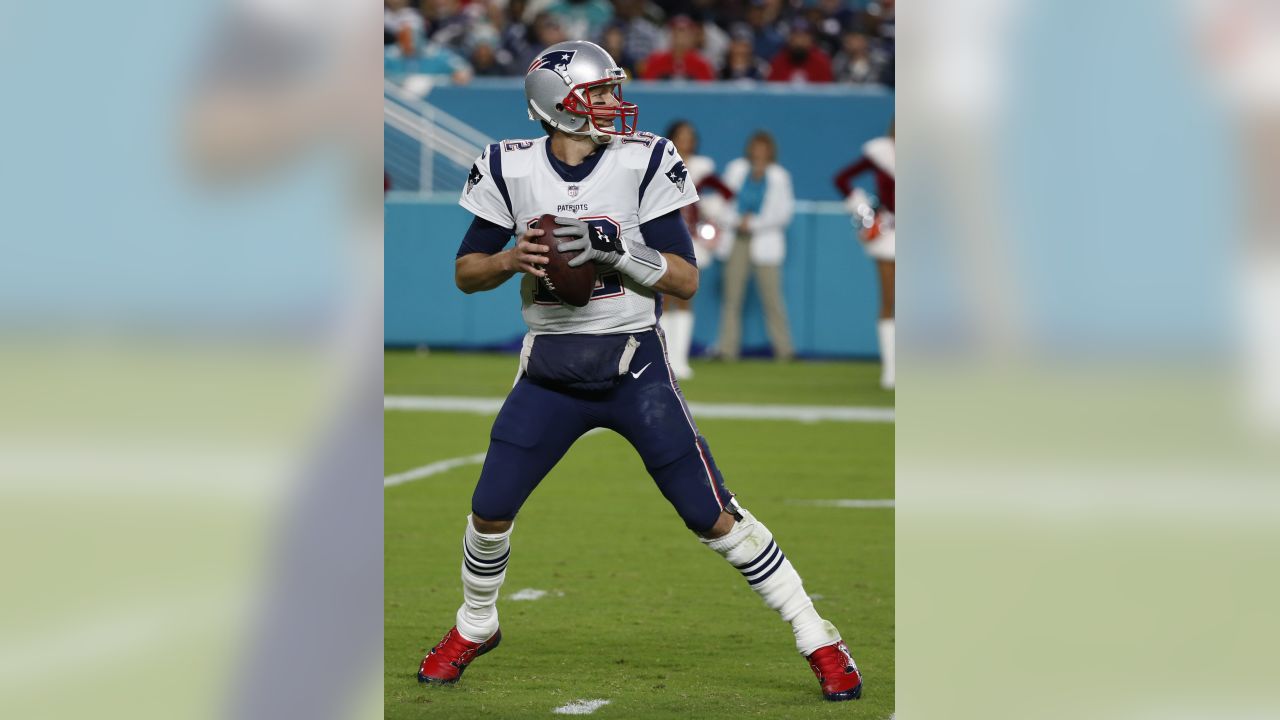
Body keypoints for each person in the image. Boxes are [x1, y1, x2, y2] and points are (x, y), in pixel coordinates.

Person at [417, 40, 863, 703]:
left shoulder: (642, 159)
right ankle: (476, 623)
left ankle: (816, 634)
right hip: (549, 372)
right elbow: (464, 272)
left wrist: (621, 250)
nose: (610, 104)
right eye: (596, 94)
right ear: (555, 105)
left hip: (634, 368)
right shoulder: (506, 166)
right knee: (488, 511)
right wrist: (513, 259)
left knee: (711, 514)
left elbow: (683, 276)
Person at [657, 119, 735, 380]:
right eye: (681, 135)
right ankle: (665, 358)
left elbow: (726, 192)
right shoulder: (660, 162)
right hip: (663, 237)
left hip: (691, 239)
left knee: (685, 298)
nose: (686, 140)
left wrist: (710, 214)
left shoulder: (702, 168)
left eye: (690, 136)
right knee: (664, 298)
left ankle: (681, 359)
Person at [717, 130, 796, 362]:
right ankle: (726, 350)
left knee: (772, 298)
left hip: (765, 239)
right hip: (736, 239)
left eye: (764, 148)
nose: (759, 152)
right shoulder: (736, 169)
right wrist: (736, 221)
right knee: (732, 297)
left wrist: (754, 223)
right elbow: (724, 202)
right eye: (755, 147)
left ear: (770, 151)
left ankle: (785, 350)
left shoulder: (779, 176)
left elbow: (783, 213)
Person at [833, 120, 895, 389]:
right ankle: (891, 371)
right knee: (889, 300)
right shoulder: (880, 155)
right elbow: (842, 179)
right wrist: (867, 211)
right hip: (890, 234)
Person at [640, 15, 716, 81]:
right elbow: (647, 88)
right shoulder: (655, 60)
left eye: (685, 33)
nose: (680, 37)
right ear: (670, 35)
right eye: (676, 32)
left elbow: (708, 92)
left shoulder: (702, 63)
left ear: (692, 37)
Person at [766, 19, 834, 83]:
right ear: (790, 39)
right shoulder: (778, 63)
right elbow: (771, 90)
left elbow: (827, 92)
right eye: (796, 36)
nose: (799, 41)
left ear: (811, 40)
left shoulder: (822, 63)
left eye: (804, 37)